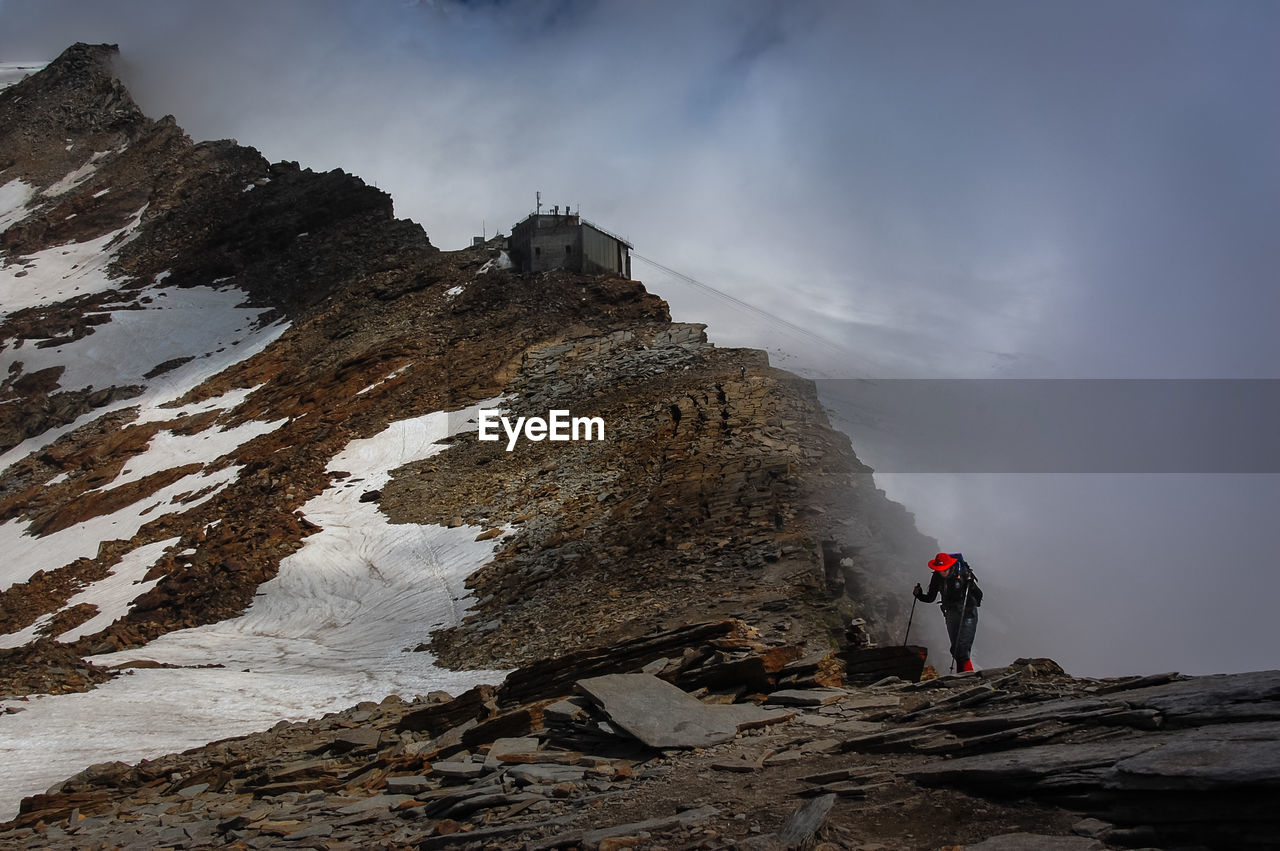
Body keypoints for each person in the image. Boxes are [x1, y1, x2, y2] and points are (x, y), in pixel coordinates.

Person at [914, 552, 983, 672]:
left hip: (967, 613)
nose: (942, 572)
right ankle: (964, 675)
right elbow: (930, 598)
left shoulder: (963, 573)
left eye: (944, 569)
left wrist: (970, 585)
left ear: (950, 566)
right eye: (939, 569)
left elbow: (979, 596)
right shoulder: (937, 576)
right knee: (956, 649)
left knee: (962, 649)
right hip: (951, 613)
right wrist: (919, 595)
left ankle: (966, 676)